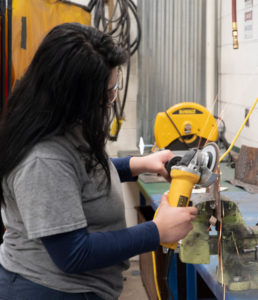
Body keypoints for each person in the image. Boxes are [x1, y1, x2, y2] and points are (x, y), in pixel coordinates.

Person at [0, 23, 197, 300]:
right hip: (50, 291)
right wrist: (156, 230)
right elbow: (73, 253)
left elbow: (77, 176)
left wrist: (139, 165)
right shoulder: (42, 160)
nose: (110, 101)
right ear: (73, 98)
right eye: (107, 95)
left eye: (112, 89)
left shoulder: (64, 125)